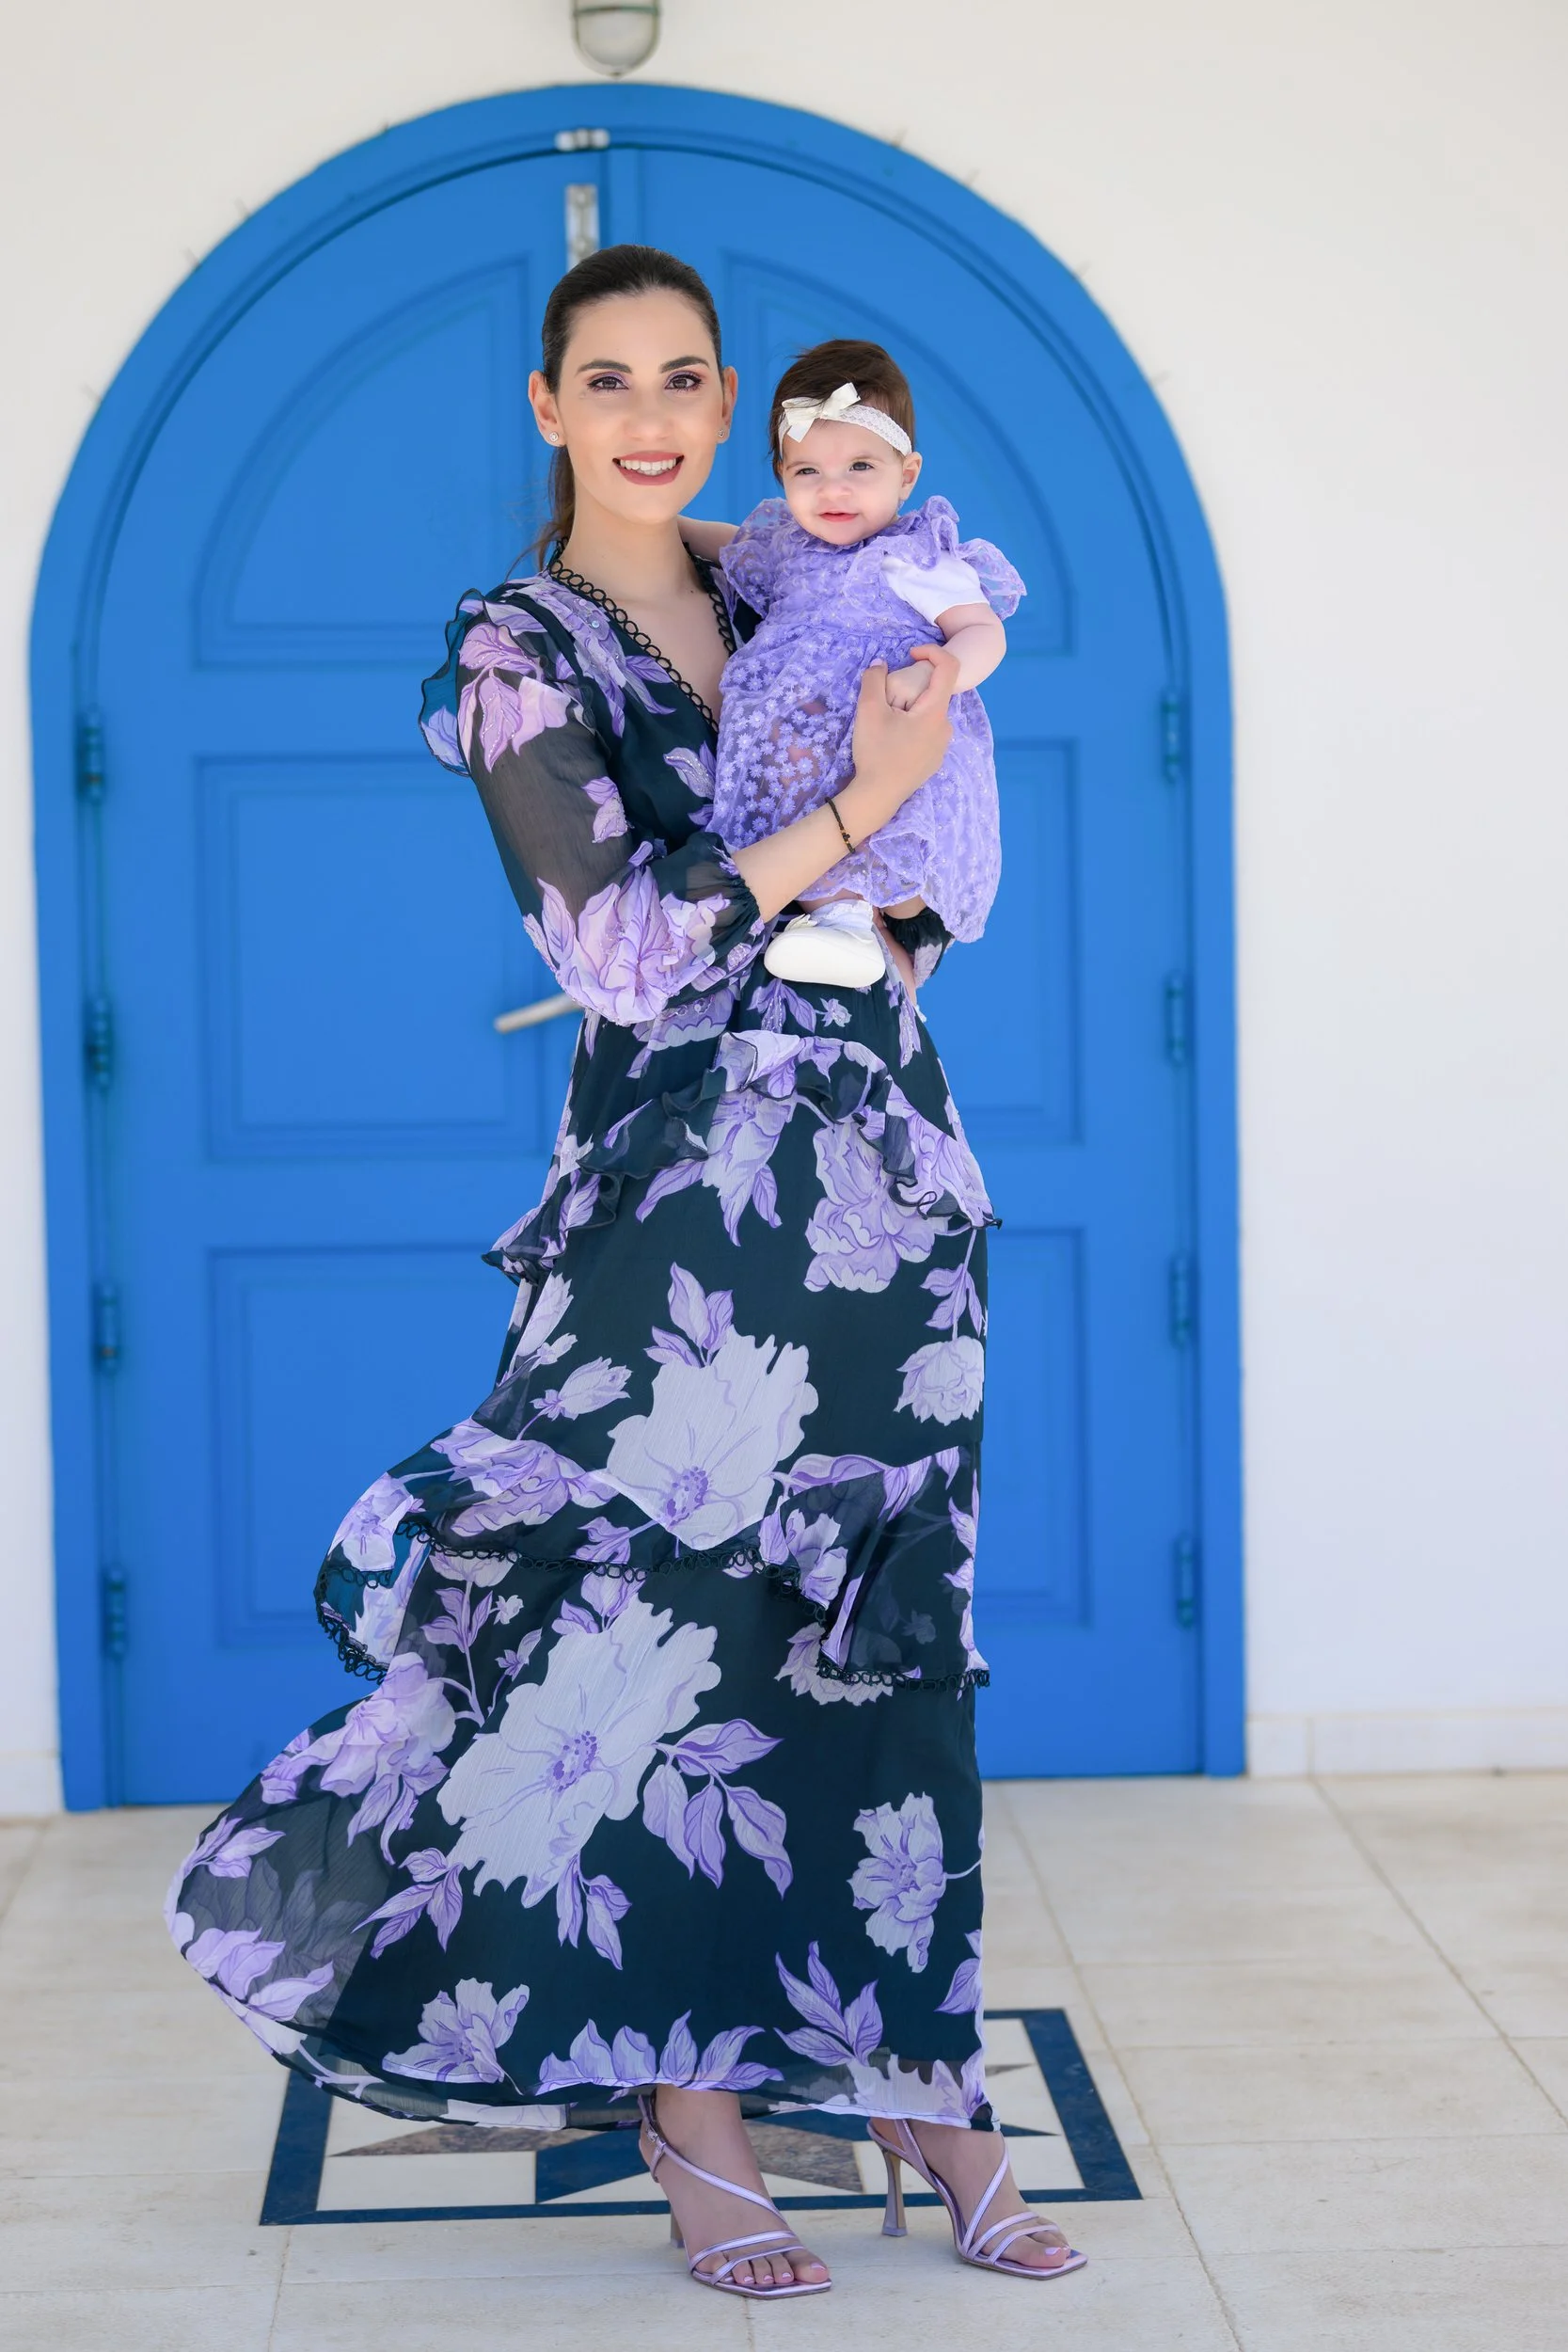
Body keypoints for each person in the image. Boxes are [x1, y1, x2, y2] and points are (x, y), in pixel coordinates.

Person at [165, 243, 1085, 2299]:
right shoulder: (514, 646)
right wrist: (859, 807)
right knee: (660, 1636)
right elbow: (621, 944)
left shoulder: (792, 576)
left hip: (881, 1166)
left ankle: (916, 2076)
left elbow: (936, 846)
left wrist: (894, 900)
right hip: (675, 1204)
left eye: (683, 379)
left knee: (882, 1628)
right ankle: (690, 2109)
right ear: (548, 406)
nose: (649, 416)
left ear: (730, 399)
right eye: (608, 380)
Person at [691, 340, 1022, 992]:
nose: (833, 489)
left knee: (881, 823)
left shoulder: (914, 557)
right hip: (804, 733)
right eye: (807, 471)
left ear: (907, 474)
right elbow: (727, 543)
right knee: (792, 802)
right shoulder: (788, 546)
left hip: (888, 719)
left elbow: (983, 631)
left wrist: (933, 676)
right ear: (782, 475)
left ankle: (859, 921)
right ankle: (837, 915)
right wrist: (661, 527)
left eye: (860, 467)